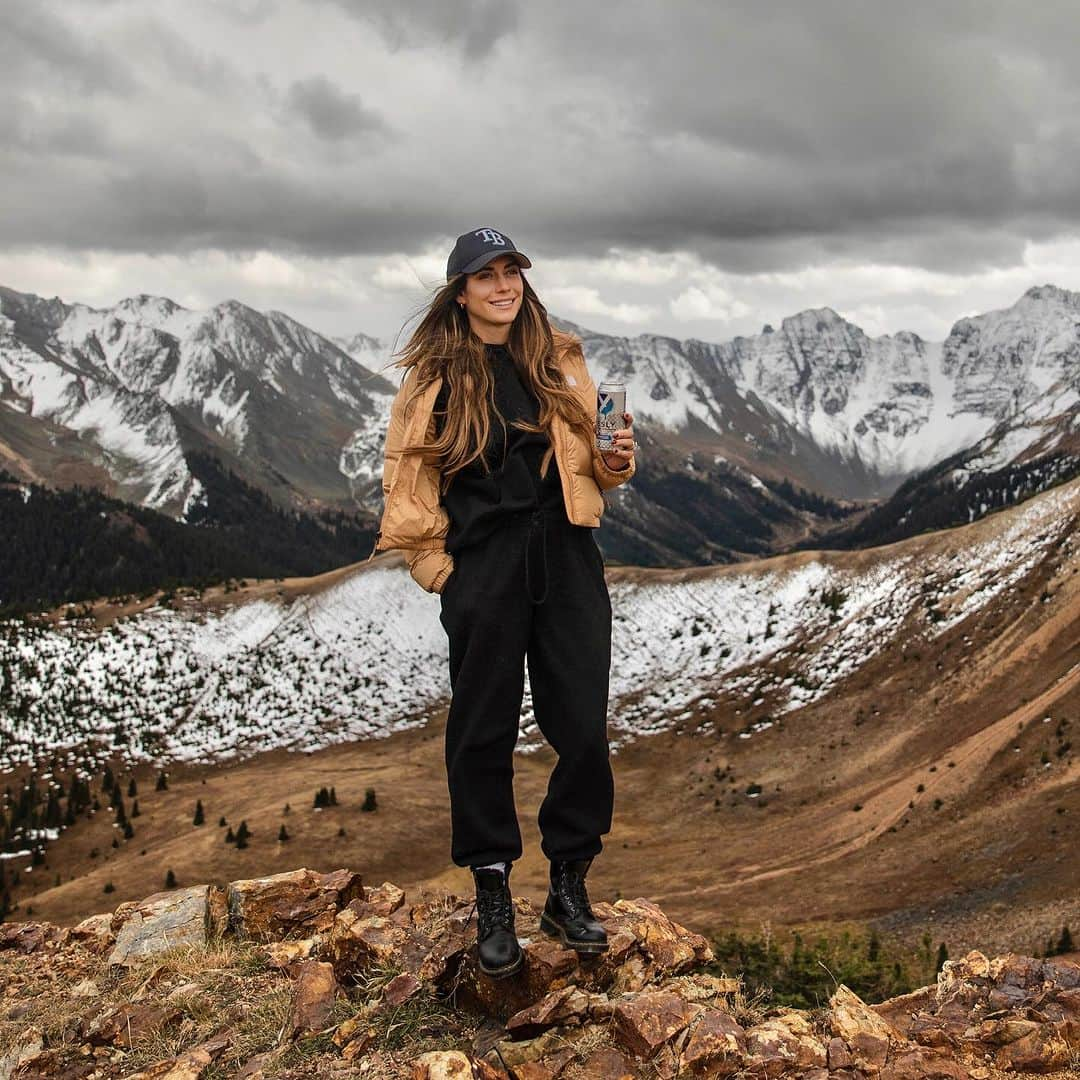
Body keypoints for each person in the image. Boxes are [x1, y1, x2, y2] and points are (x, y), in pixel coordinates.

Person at [370, 227, 636, 979]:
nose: (502, 286)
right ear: (460, 292)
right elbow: (406, 480)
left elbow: (595, 458)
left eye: (511, 271)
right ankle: (492, 889)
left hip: (568, 555)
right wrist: (438, 571)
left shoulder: (555, 357)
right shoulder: (435, 378)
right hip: (484, 566)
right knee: (483, 729)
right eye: (484, 276)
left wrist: (616, 462)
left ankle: (567, 884)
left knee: (582, 724)